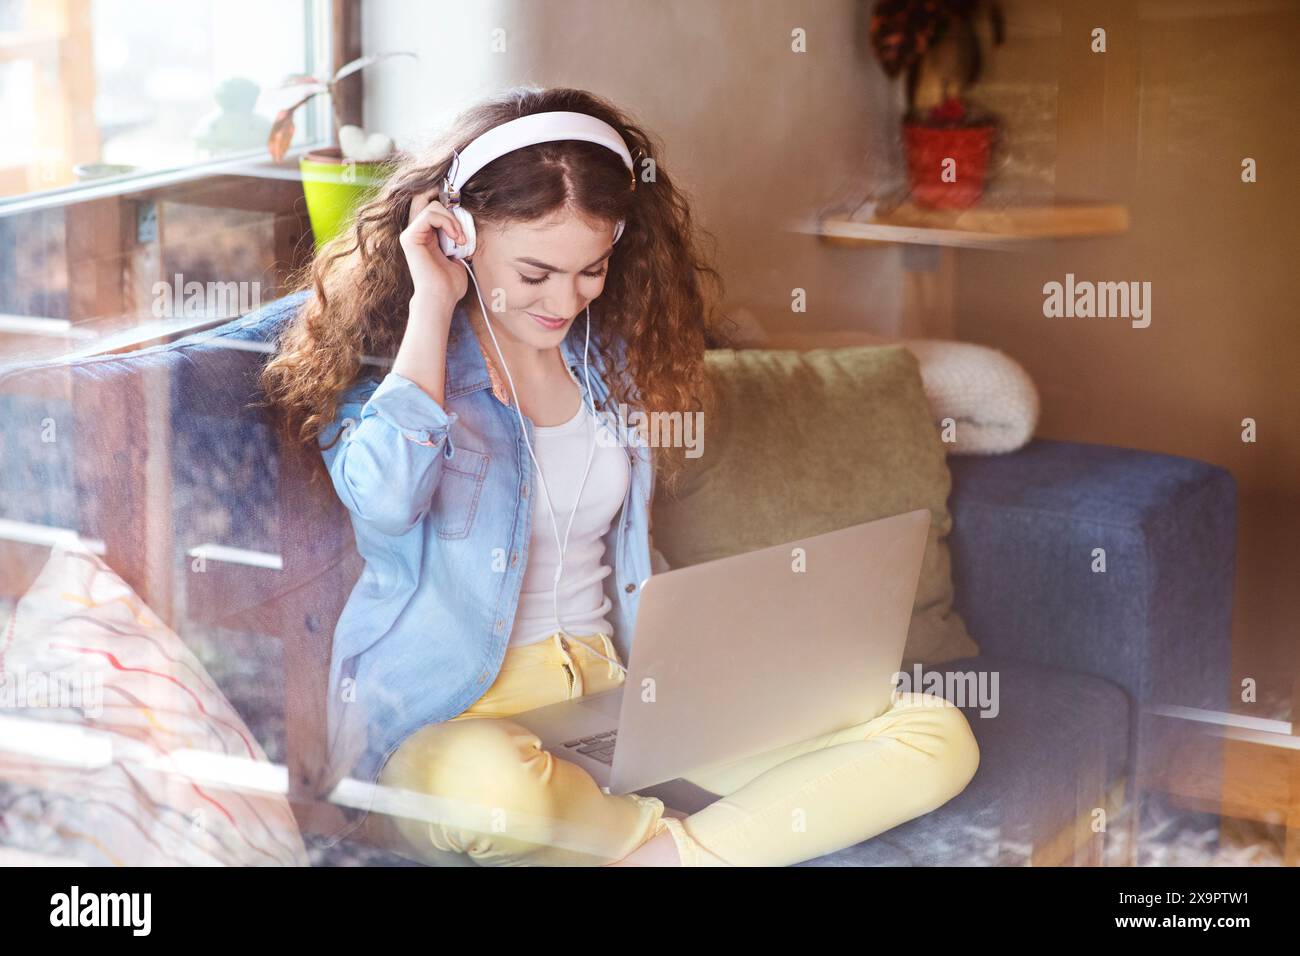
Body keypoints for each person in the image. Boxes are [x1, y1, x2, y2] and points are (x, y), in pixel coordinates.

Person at [260, 86, 980, 867]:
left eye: (590, 270)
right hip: (452, 728)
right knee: (498, 798)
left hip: (617, 702)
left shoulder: (608, 363)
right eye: (535, 272)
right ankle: (683, 842)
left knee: (932, 733)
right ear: (457, 235)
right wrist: (433, 306)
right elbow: (386, 501)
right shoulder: (398, 365)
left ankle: (662, 856)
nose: (564, 300)